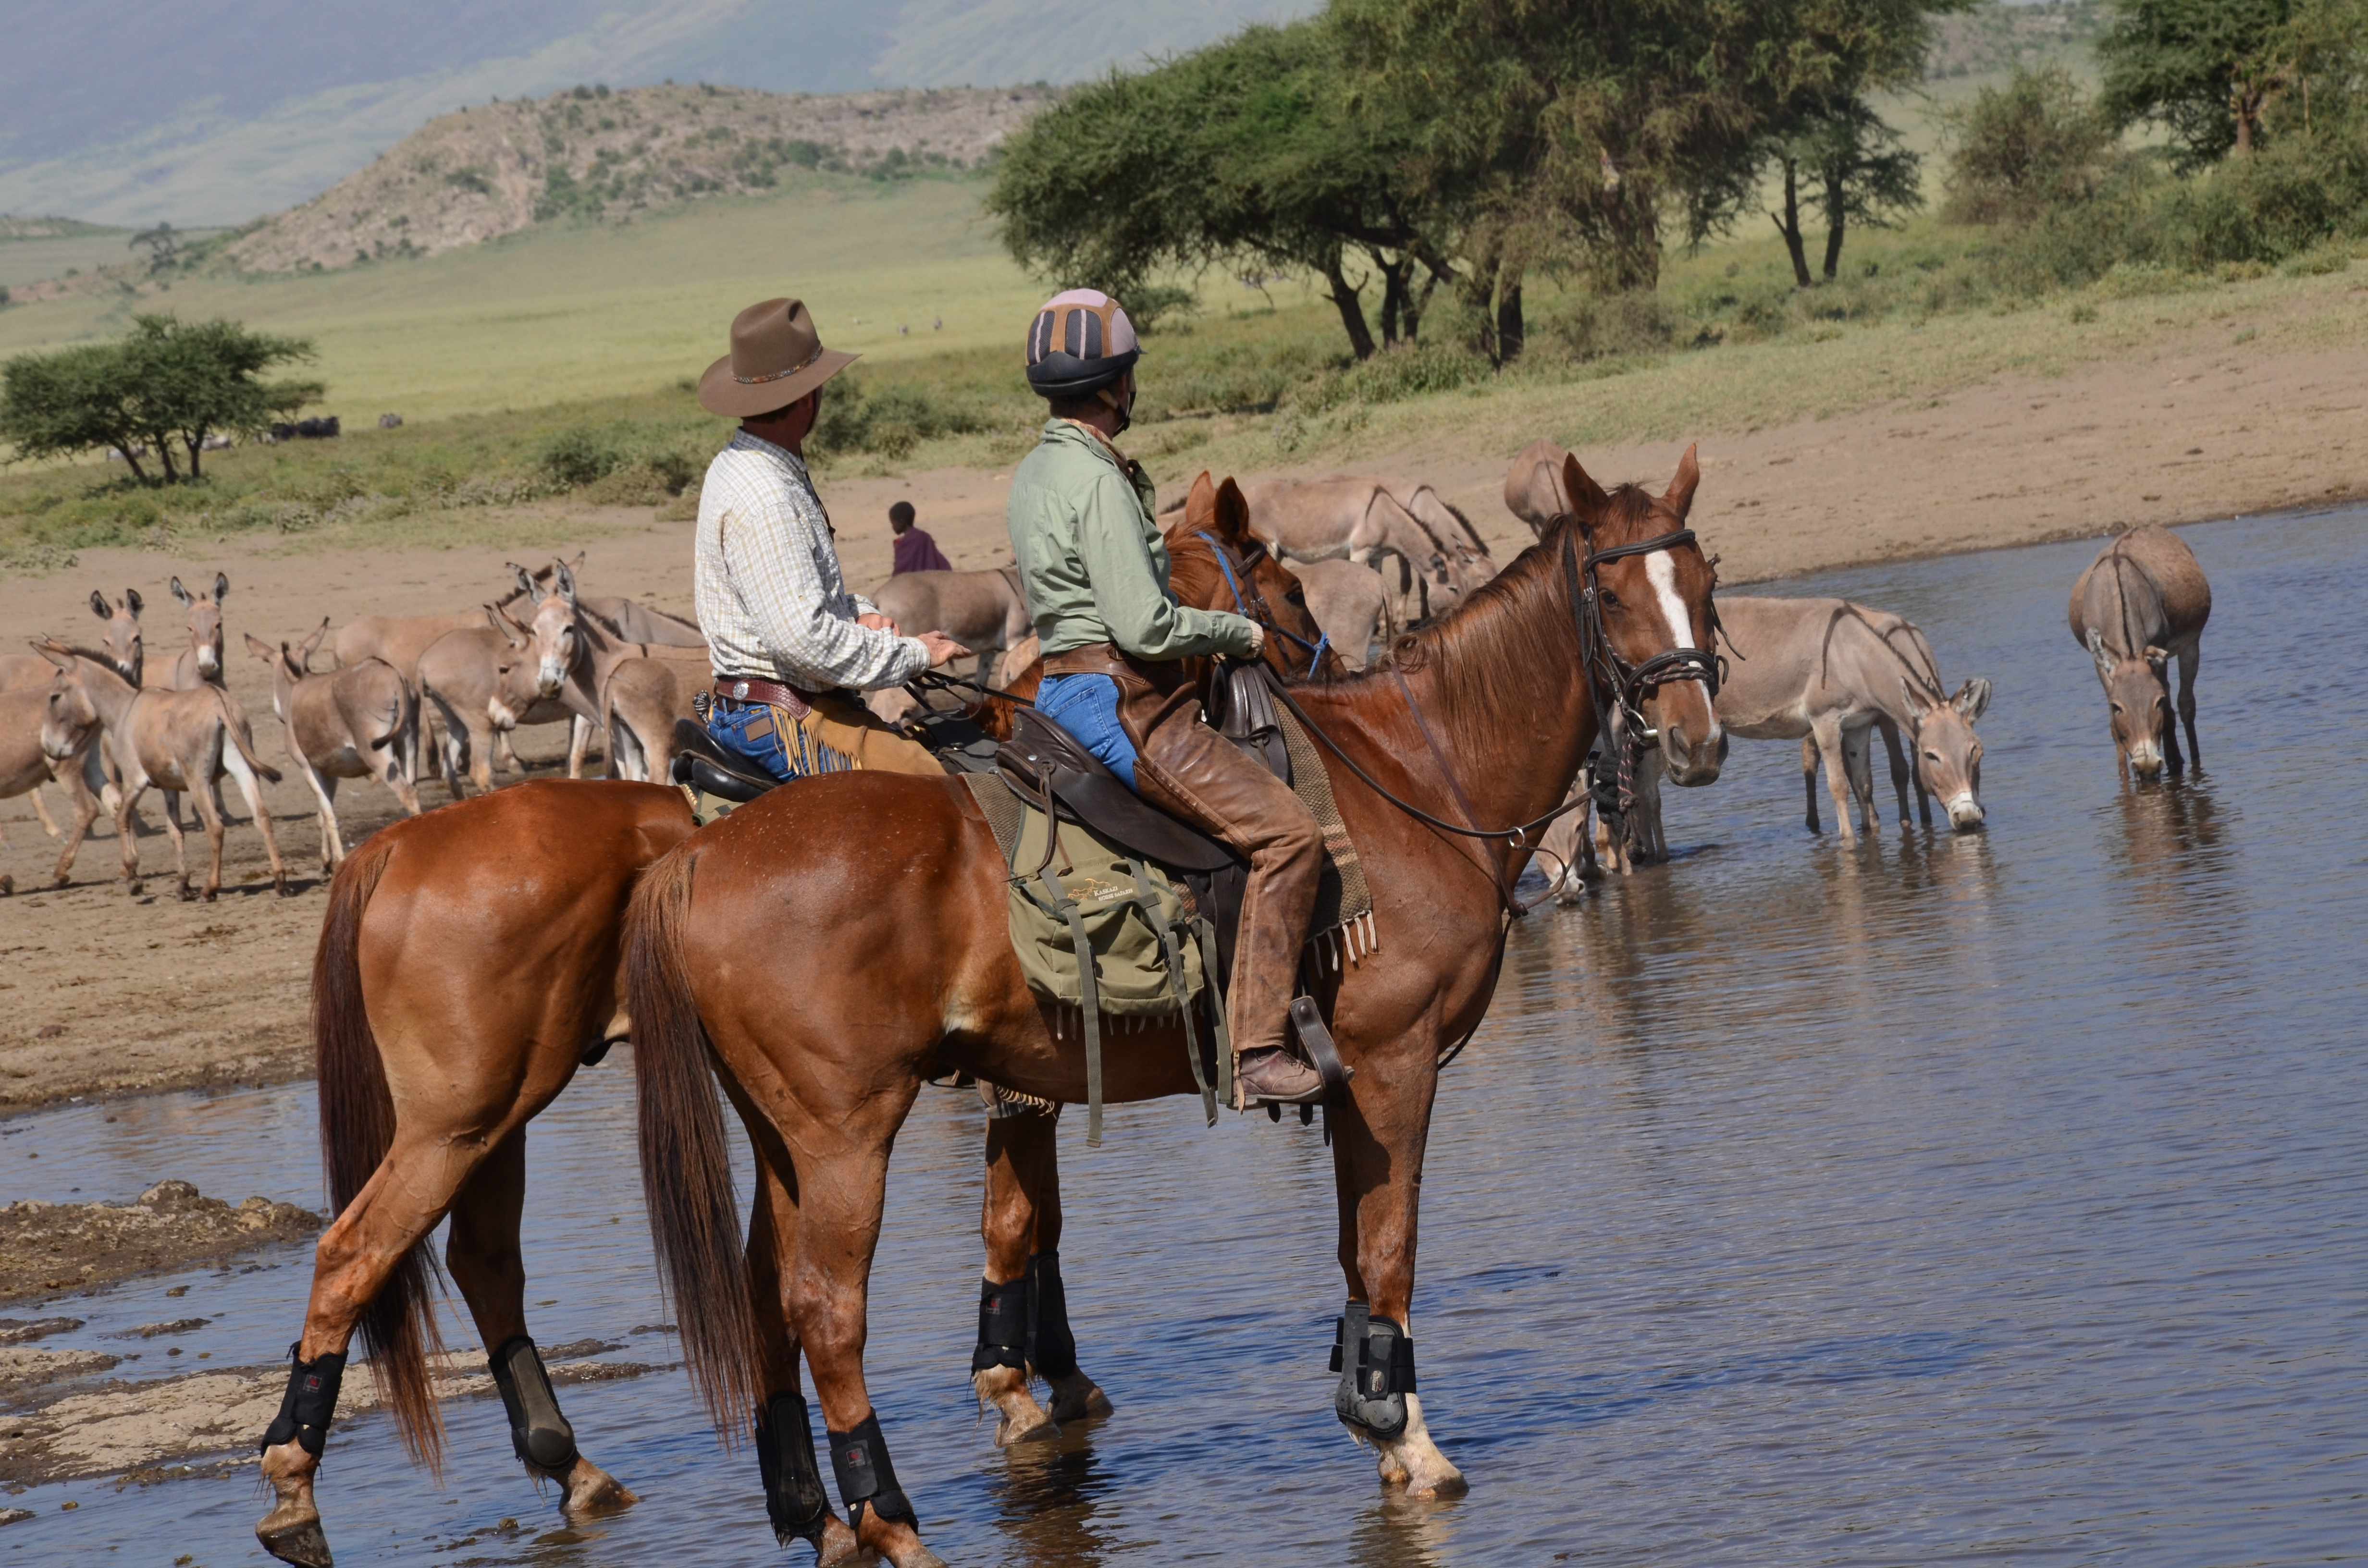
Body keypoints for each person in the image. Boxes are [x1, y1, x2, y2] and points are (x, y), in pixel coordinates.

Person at [1004, 288, 1328, 1106]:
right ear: (1116, 385)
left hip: (1061, 687)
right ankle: (1256, 1048)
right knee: (1289, 835)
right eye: (1131, 375)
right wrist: (1240, 636)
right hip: (1124, 700)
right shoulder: (1099, 478)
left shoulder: (1036, 468)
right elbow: (1145, 626)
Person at [693, 296, 968, 781]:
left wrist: (855, 613)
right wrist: (916, 655)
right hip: (784, 718)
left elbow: (786, 602)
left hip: (762, 701)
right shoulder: (769, 496)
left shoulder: (738, 462)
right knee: (941, 795)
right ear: (806, 398)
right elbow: (804, 643)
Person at [888, 500, 951, 575]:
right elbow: (939, 561)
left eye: (893, 523)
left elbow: (901, 571)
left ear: (901, 522)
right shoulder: (924, 537)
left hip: (913, 584)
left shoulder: (904, 544)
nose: (892, 527)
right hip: (930, 580)